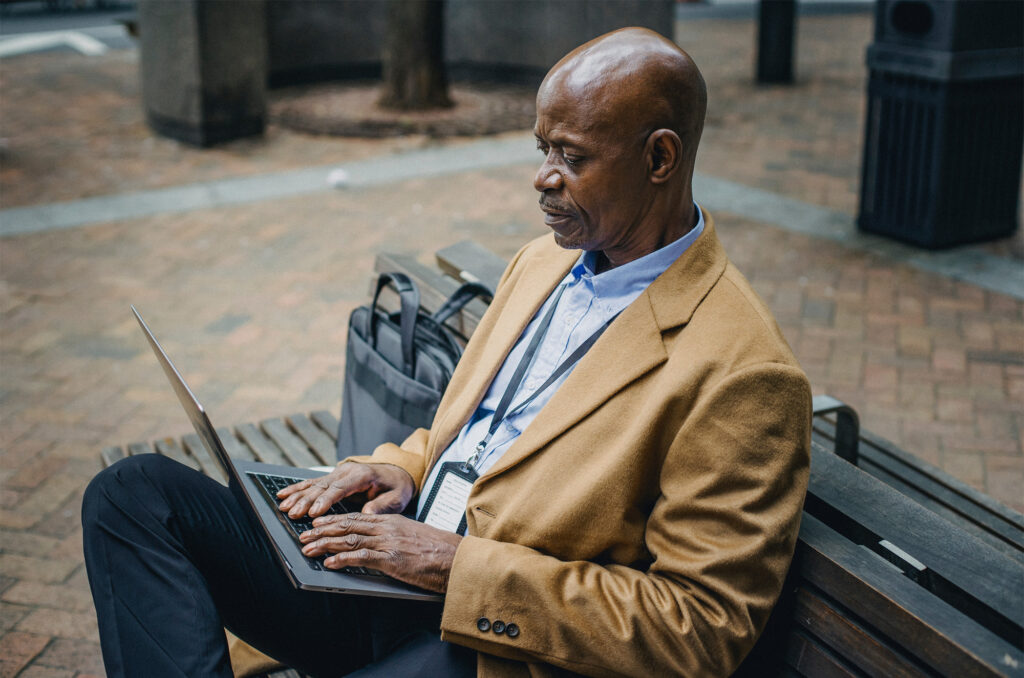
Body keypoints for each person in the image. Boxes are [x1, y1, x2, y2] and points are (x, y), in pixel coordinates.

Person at [82, 27, 810, 678]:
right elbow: (475, 433)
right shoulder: (545, 260)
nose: (542, 176)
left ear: (660, 157)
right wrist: (391, 468)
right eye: (541, 148)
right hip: (385, 579)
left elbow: (700, 629)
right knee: (133, 495)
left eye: (572, 155)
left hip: (491, 645)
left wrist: (456, 567)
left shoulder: (743, 371)